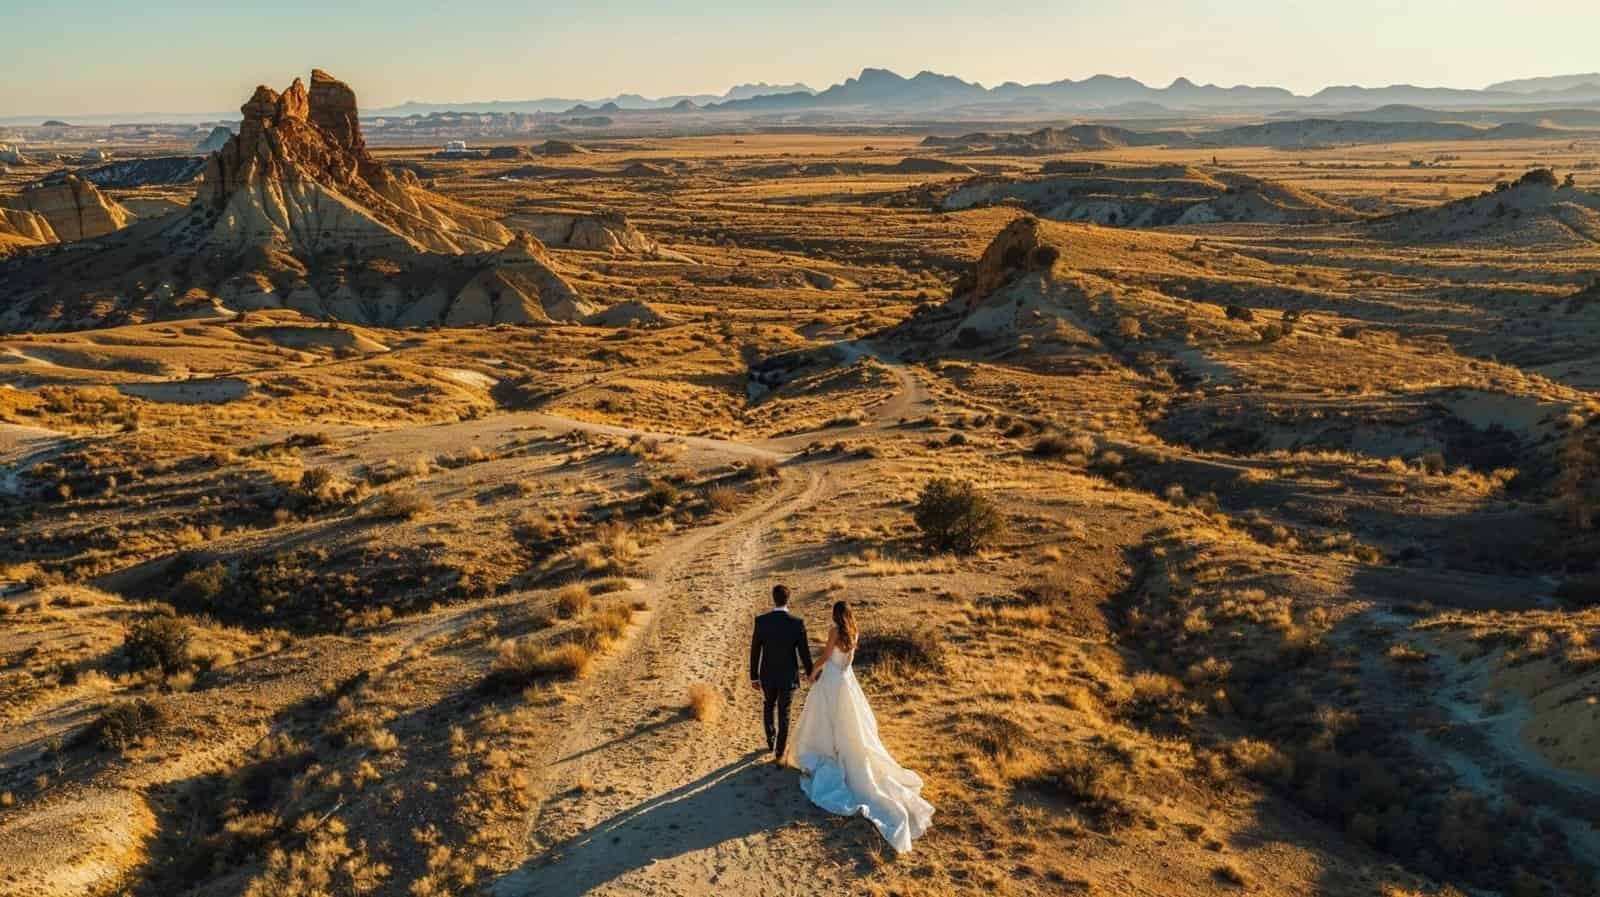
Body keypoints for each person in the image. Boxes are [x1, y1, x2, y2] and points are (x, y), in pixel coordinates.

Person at [784, 600, 934, 854]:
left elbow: (826, 655)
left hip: (832, 679)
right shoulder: (854, 631)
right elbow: (847, 661)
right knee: (849, 725)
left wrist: (813, 671)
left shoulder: (834, 632)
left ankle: (826, 754)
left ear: (835, 615)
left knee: (825, 719)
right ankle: (840, 751)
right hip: (847, 680)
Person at [749, 584, 813, 762]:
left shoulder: (761, 621)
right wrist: (811, 672)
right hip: (788, 676)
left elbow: (755, 651)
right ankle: (779, 751)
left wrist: (754, 676)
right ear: (788, 599)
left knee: (768, 704)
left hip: (767, 674)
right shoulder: (797, 623)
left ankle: (770, 739)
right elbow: (804, 653)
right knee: (784, 712)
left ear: (773, 598)